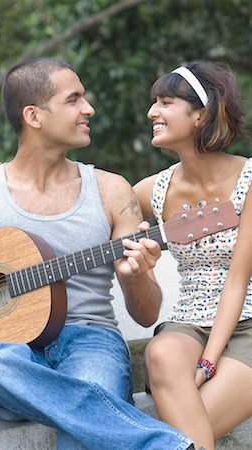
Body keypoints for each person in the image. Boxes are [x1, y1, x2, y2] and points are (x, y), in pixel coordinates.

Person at [0, 59, 194, 450]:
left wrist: (136, 276)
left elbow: (146, 314)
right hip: (6, 356)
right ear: (33, 115)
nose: (89, 109)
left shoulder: (111, 191)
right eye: (74, 99)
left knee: (84, 423)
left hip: (89, 340)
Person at [132, 61, 252, 450]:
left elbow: (237, 279)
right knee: (161, 351)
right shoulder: (153, 190)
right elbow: (84, 210)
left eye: (165, 102)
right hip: (186, 324)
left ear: (200, 115)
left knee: (184, 436)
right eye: (154, 103)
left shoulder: (249, 179)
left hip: (247, 324)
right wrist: (11, 176)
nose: (152, 112)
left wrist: (208, 362)